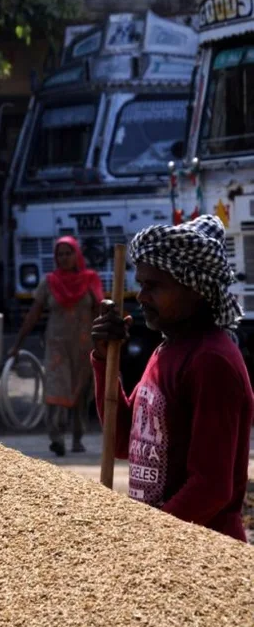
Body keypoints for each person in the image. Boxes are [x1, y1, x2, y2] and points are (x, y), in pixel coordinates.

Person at [92, 215, 254, 541]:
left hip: (204, 553)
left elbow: (211, 487)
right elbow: (123, 441)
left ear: (194, 289)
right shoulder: (167, 349)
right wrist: (103, 359)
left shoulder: (211, 361)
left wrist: (147, 539)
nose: (140, 297)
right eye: (140, 284)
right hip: (166, 547)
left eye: (153, 286)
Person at [9, 236, 102, 457]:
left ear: (77, 255)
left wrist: (103, 343)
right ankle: (57, 437)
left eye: (68, 253)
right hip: (57, 344)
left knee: (81, 391)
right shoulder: (49, 282)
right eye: (60, 254)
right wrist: (17, 344)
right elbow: (34, 314)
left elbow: (99, 311)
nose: (64, 258)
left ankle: (78, 437)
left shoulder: (90, 280)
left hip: (83, 345)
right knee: (56, 388)